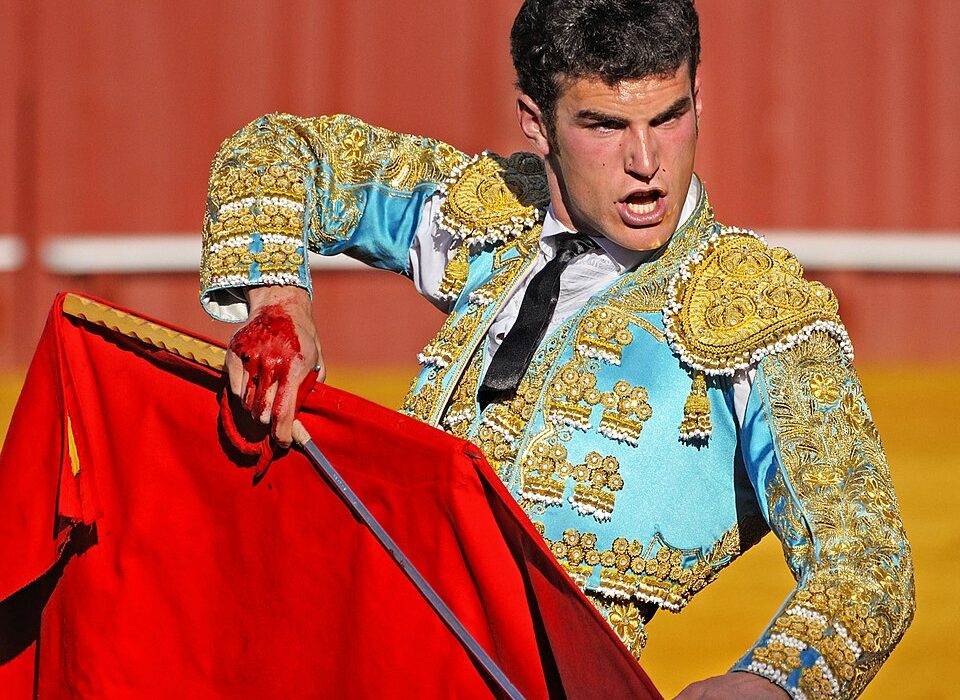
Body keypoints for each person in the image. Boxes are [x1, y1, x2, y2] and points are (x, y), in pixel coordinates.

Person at [199, 1, 914, 697]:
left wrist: (771, 683)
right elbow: (278, 151)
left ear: (698, 97)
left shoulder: (760, 310)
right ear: (536, 123)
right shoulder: (493, 216)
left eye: (669, 118)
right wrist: (280, 304)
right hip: (371, 651)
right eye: (605, 125)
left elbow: (867, 563)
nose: (646, 162)